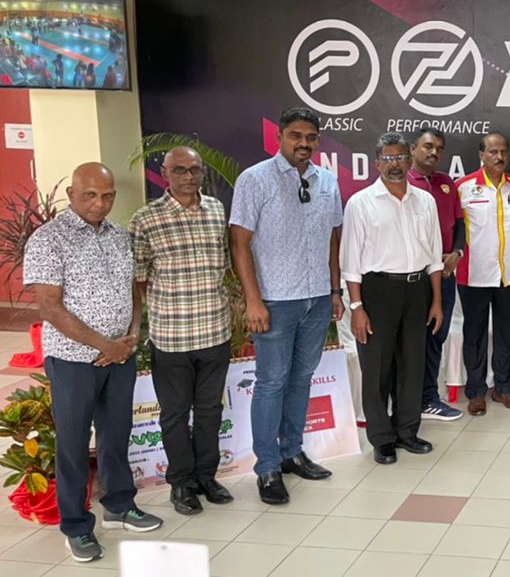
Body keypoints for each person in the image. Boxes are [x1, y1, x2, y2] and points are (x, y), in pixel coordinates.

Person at [25, 163, 162, 563]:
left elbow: (133, 291)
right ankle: (76, 527)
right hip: (73, 360)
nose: (99, 203)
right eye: (89, 195)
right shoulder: (49, 239)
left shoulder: (119, 236)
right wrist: (105, 344)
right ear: (72, 194)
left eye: (107, 195)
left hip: (119, 356)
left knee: (117, 434)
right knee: (72, 444)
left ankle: (119, 506)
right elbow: (50, 308)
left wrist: (131, 336)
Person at [230, 107, 344, 505]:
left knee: (302, 378)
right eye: (296, 135)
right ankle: (267, 466)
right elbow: (240, 242)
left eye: (311, 137)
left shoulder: (327, 181)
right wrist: (253, 300)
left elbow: (333, 239)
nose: (303, 143)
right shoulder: (255, 179)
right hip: (275, 301)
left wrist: (335, 291)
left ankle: (293, 451)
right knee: (271, 382)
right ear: (279, 137)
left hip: (317, 299)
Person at [129, 147, 234, 516]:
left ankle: (207, 477)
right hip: (172, 338)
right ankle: (181, 483)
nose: (189, 177)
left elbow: (224, 263)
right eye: (179, 170)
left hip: (216, 332)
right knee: (174, 415)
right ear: (164, 173)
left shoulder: (216, 210)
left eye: (195, 170)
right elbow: (138, 279)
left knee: (209, 411)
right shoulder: (146, 219)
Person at [341, 132, 444, 464]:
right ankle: (382, 438)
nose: (395, 164)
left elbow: (435, 257)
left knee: (412, 364)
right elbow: (351, 263)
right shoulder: (360, 203)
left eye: (400, 157)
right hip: (377, 291)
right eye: (388, 158)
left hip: (417, 289)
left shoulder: (425, 201)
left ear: (410, 160)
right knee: (377, 368)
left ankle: (407, 431)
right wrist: (357, 307)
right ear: (377, 163)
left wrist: (436, 301)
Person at [455, 132, 510, 415]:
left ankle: (504, 388)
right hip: (474, 273)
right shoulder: (463, 187)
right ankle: (476, 392)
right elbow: (455, 231)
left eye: (503, 151)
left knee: (506, 332)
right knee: (474, 334)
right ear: (481, 155)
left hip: (509, 273)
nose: (499, 157)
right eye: (493, 152)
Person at [407, 129, 464, 422]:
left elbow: (459, 224)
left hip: (445, 274)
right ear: (413, 148)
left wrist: (457, 252)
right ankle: (408, 399)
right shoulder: (402, 182)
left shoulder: (447, 183)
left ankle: (428, 398)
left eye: (439, 148)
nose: (434, 152)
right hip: (414, 277)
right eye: (428, 146)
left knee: (436, 335)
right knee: (411, 338)